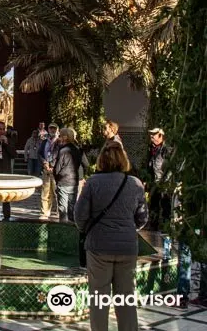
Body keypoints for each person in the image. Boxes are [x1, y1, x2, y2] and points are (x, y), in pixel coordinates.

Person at [75, 141, 148, 331]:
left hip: (99, 247)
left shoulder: (92, 183)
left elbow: (79, 216)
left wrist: (87, 230)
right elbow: (143, 217)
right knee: (126, 298)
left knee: (99, 299)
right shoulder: (136, 184)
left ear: (101, 160)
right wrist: (128, 229)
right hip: (127, 248)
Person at [53, 127, 88, 222]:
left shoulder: (63, 150)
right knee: (72, 208)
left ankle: (63, 232)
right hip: (74, 182)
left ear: (65, 137)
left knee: (63, 210)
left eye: (60, 136)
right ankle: (72, 231)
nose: (59, 137)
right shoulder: (78, 149)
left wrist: (56, 179)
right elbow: (83, 164)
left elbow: (57, 168)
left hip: (63, 182)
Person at [146, 128, 172, 231]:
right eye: (151, 134)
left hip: (163, 182)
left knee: (165, 204)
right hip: (154, 182)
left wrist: (164, 181)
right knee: (153, 204)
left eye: (154, 134)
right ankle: (153, 225)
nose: (151, 136)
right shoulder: (151, 148)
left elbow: (169, 167)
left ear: (160, 135)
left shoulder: (166, 148)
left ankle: (166, 227)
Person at [38, 123, 60, 219]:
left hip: (55, 170)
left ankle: (59, 212)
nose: (52, 130)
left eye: (54, 128)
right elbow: (39, 153)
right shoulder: (44, 141)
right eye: (50, 128)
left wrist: (53, 165)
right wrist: (44, 163)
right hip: (46, 169)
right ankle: (44, 212)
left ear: (57, 130)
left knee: (56, 192)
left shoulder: (60, 141)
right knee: (45, 192)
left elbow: (60, 155)